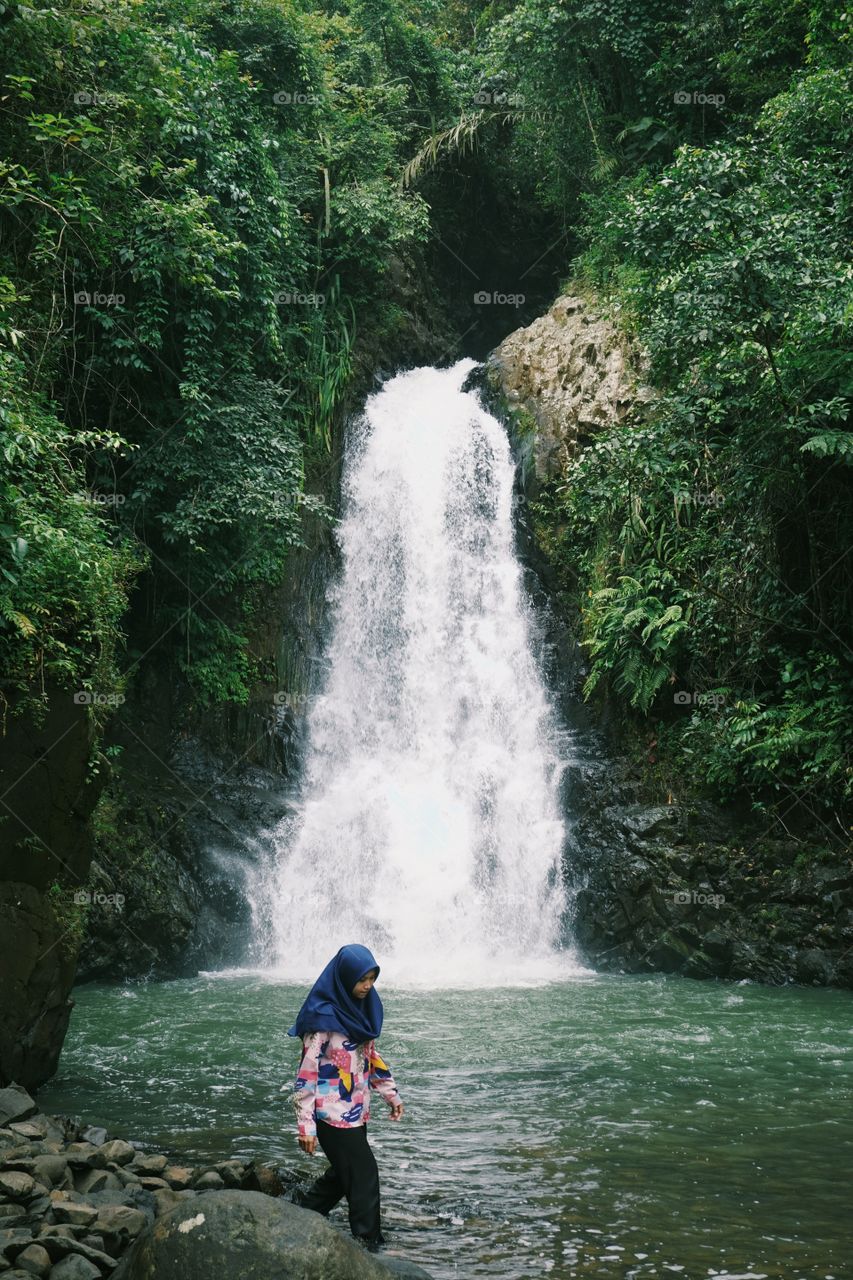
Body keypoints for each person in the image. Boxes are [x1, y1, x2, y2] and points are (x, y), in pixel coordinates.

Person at [287, 943, 404, 1251]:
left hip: (355, 1110)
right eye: (362, 979)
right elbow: (306, 1074)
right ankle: (369, 1244)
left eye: (372, 979)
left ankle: (299, 1215)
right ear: (344, 977)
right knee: (364, 1173)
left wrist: (390, 1094)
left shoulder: (361, 1009)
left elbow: (370, 1057)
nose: (368, 986)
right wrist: (305, 1126)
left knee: (343, 1174)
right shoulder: (321, 1018)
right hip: (329, 1115)